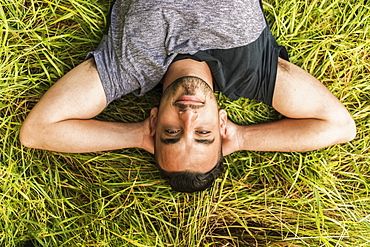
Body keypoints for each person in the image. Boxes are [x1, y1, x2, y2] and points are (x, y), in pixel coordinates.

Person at [20, 0, 356, 192]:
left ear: (154, 122)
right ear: (221, 122)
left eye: (171, 133)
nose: (188, 117)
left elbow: (38, 132)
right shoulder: (253, 71)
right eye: (204, 134)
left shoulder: (128, 69)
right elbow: (339, 126)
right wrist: (239, 138)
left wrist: (137, 135)